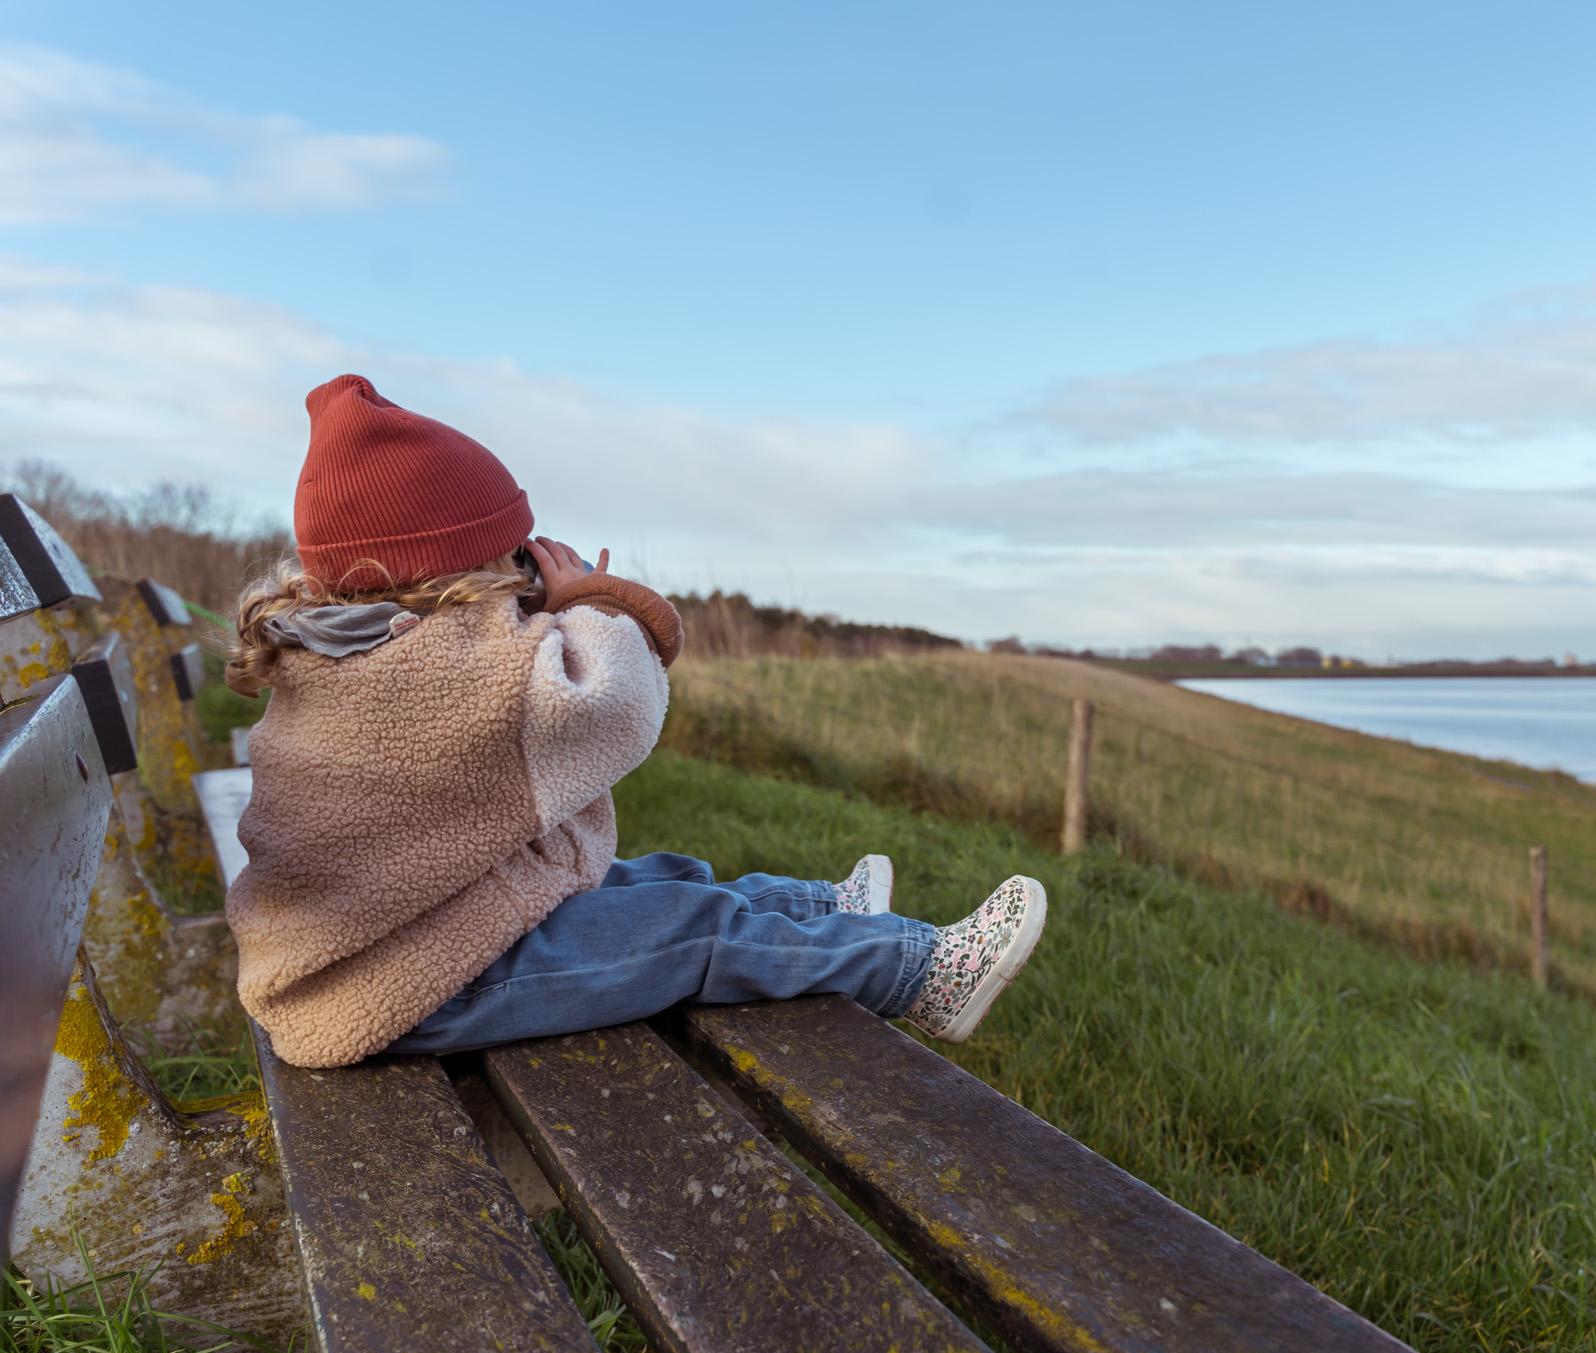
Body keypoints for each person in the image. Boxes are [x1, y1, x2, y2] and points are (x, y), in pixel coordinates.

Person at [222, 373, 1045, 1069]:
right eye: (513, 548)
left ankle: (821, 905)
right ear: (463, 563)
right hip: (402, 988)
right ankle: (921, 971)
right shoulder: (446, 666)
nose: (528, 561)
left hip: (373, 943)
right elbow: (617, 706)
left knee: (649, 878)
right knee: (686, 929)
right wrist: (589, 598)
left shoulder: (341, 645)